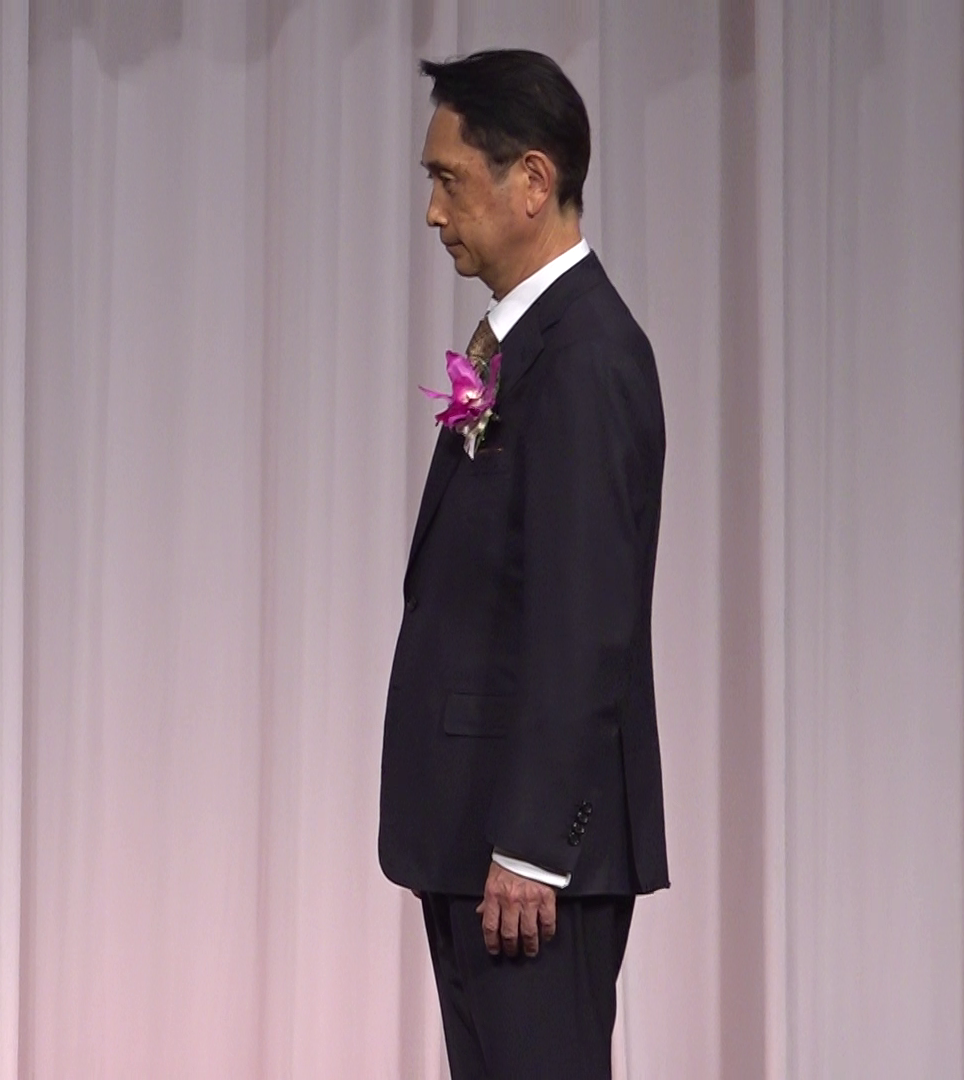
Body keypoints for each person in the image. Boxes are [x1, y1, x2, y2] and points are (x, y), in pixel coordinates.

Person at [378, 50, 668, 1078]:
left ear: (533, 180)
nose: (433, 211)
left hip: (530, 860)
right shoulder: (526, 344)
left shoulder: (585, 356)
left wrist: (536, 844)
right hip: (478, 834)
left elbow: (586, 619)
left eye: (449, 180)